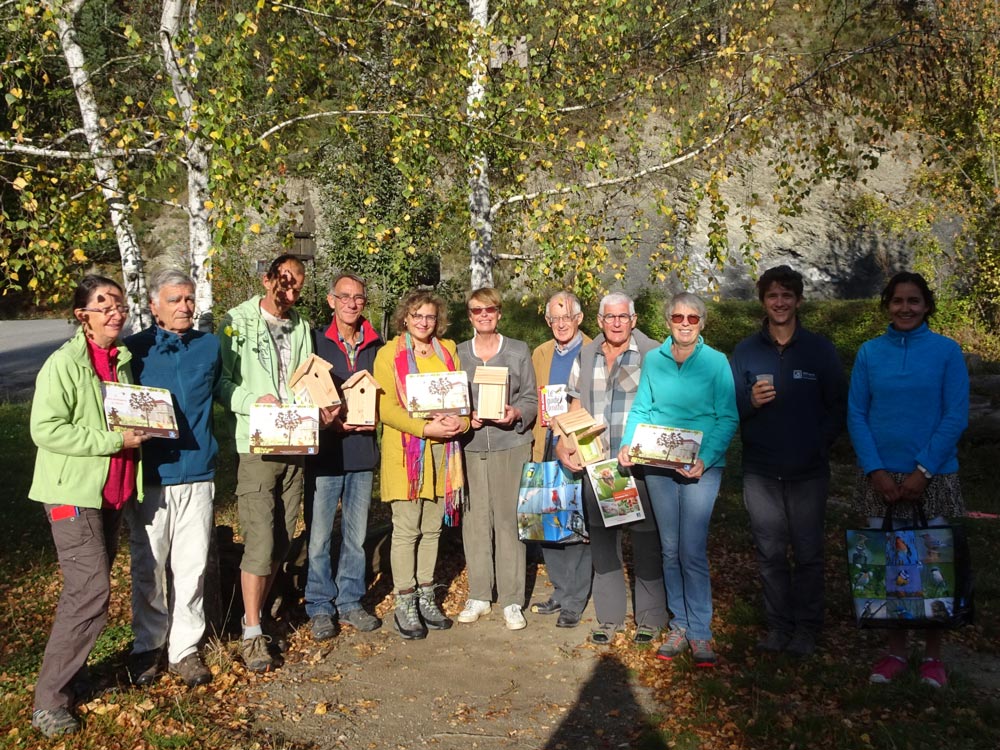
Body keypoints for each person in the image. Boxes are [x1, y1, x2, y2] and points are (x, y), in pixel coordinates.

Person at [28, 275, 150, 737]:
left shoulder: (120, 362)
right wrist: (115, 439)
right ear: (83, 316)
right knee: (90, 592)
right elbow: (46, 429)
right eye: (104, 305)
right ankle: (49, 700)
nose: (115, 312)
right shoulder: (64, 363)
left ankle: (71, 676)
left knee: (89, 592)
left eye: (119, 304)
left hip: (110, 493)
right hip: (71, 494)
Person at [847, 271, 969, 688]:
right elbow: (857, 414)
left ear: (926, 306)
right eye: (897, 300)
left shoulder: (947, 352)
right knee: (890, 566)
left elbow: (955, 414)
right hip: (880, 475)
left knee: (934, 566)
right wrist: (875, 470)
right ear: (887, 305)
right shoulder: (868, 353)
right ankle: (895, 651)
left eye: (913, 301)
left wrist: (923, 470)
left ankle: (934, 657)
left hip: (933, 477)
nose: (905, 308)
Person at [219, 254, 329, 672]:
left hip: (295, 443)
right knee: (261, 541)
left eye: (297, 284)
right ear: (266, 280)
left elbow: (306, 378)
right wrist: (252, 401)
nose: (290, 291)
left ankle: (262, 611)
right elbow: (222, 383)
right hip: (258, 444)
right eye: (284, 282)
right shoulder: (237, 320)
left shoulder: (301, 325)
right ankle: (250, 631)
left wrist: (321, 407)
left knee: (283, 537)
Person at [730, 265, 846, 657]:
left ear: (798, 300)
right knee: (770, 553)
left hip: (808, 470)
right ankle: (779, 626)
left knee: (810, 553)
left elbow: (837, 406)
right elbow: (729, 409)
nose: (779, 302)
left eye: (786, 295)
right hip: (760, 470)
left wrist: (819, 444)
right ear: (763, 302)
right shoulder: (746, 351)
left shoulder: (819, 349)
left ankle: (808, 629)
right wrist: (750, 401)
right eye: (772, 296)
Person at [619, 292, 738, 667]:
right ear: (668, 321)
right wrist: (627, 444)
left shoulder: (717, 362)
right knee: (670, 548)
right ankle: (680, 625)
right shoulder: (654, 359)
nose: (684, 324)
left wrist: (706, 459)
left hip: (701, 467)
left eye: (692, 318)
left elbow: (728, 417)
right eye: (677, 317)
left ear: (702, 322)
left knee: (692, 550)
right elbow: (642, 407)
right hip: (659, 464)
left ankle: (701, 632)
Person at [125, 270, 222, 687]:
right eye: (175, 300)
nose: (185, 306)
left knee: (192, 566)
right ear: (154, 306)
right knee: (149, 566)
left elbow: (222, 391)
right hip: (153, 477)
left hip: (198, 472)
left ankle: (184, 648)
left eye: (189, 298)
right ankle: (147, 646)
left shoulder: (210, 346)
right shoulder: (134, 351)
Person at [557, 292, 668, 646]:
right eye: (609, 317)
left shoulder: (653, 354)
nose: (616, 323)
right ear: (599, 322)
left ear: (633, 320)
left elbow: (667, 407)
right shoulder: (586, 354)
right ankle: (609, 618)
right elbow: (573, 402)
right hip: (597, 465)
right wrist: (564, 444)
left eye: (623, 317)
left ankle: (650, 618)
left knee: (647, 541)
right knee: (604, 544)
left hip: (640, 466)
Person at [373, 290, 470, 640]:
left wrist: (463, 424)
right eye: (417, 316)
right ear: (405, 318)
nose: (423, 322)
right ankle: (405, 601)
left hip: (443, 453)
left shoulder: (448, 350)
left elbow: (462, 400)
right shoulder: (389, 355)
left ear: (437, 319)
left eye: (429, 316)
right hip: (406, 454)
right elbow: (384, 409)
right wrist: (423, 427)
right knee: (407, 529)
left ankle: (427, 596)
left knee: (432, 529)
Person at [305, 274, 384, 640]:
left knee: (355, 536)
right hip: (325, 453)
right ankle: (320, 604)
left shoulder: (376, 345)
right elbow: (303, 391)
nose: (352, 304)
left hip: (361, 453)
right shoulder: (315, 342)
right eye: (345, 297)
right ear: (330, 300)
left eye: (358, 298)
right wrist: (324, 421)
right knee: (319, 536)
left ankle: (351, 600)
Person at [456, 288, 538, 630]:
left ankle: (512, 600)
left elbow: (532, 397)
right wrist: (465, 416)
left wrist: (516, 412)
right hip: (472, 445)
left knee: (508, 520)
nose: (483, 315)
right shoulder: (458, 353)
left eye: (490, 309)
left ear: (499, 313)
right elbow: (449, 396)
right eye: (477, 311)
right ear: (470, 316)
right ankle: (479, 594)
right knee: (475, 521)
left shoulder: (518, 351)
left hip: (511, 443)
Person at [529, 292, 593, 628]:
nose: (561, 323)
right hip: (545, 445)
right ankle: (561, 589)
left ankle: (575, 600)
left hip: (580, 448)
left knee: (578, 527)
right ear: (548, 322)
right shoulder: (539, 353)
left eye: (567, 316)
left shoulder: (595, 350)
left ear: (579, 319)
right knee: (548, 524)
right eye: (555, 318)